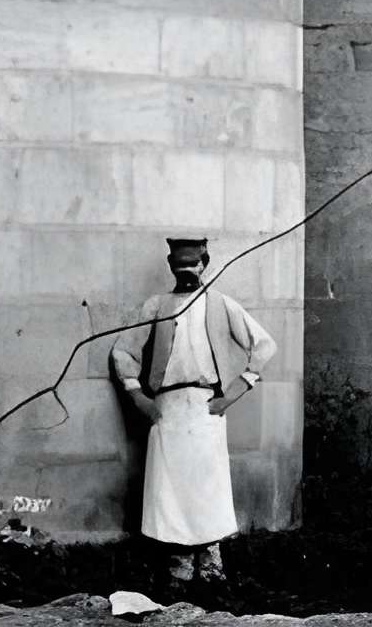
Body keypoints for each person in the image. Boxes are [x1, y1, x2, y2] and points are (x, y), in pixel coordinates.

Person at [110, 236, 277, 585]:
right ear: (171, 266)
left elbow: (264, 345)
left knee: (208, 482)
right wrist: (139, 397)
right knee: (170, 485)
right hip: (167, 406)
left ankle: (212, 560)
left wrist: (232, 393)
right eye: (179, 266)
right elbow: (123, 352)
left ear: (205, 263)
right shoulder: (156, 306)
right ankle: (179, 562)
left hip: (206, 406)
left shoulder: (220, 304)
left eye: (193, 265)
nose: (187, 272)